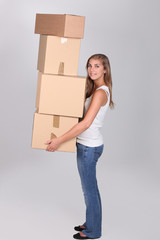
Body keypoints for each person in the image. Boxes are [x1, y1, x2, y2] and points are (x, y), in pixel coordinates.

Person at [45, 53, 114, 239]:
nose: (92, 69)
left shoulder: (100, 92)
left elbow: (85, 124)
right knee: (91, 188)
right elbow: (81, 117)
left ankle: (93, 231)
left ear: (105, 69)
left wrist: (59, 140)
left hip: (89, 148)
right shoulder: (96, 89)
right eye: (90, 65)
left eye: (97, 66)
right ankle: (90, 222)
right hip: (88, 146)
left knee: (89, 190)